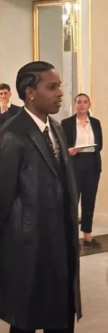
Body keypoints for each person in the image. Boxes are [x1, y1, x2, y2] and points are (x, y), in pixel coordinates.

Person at [0, 61, 106, 333]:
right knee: (24, 324)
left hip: (59, 245)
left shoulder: (53, 128)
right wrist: (9, 240)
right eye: (52, 87)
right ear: (30, 93)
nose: (60, 93)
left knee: (61, 321)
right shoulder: (11, 136)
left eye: (60, 86)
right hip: (26, 247)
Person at [62, 94, 103, 249]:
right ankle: (71, 237)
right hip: (74, 163)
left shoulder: (95, 123)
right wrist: (68, 151)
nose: (82, 105)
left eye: (85, 102)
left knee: (89, 200)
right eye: (79, 102)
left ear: (89, 104)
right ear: (75, 104)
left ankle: (87, 235)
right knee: (73, 201)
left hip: (92, 164)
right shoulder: (66, 123)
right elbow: (61, 146)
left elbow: (100, 145)